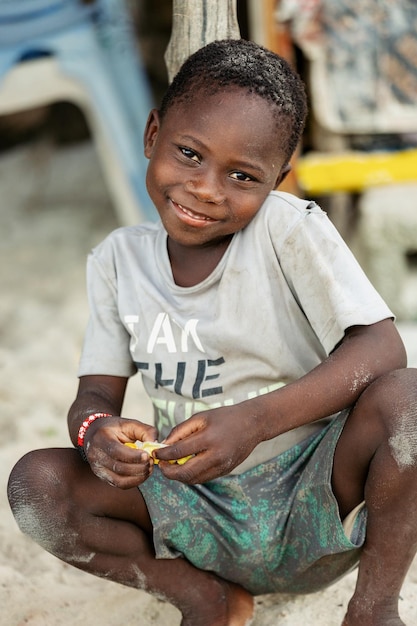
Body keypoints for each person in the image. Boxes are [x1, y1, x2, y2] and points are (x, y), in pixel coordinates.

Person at [7, 38, 417, 626]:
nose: (206, 188)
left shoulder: (287, 229)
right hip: (190, 510)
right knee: (36, 486)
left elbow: (382, 348)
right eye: (190, 154)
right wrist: (97, 433)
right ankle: (203, 597)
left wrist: (252, 422)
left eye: (243, 175)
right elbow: (93, 399)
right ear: (153, 136)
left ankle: (373, 610)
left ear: (279, 178)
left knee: (410, 401)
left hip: (314, 498)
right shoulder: (117, 262)